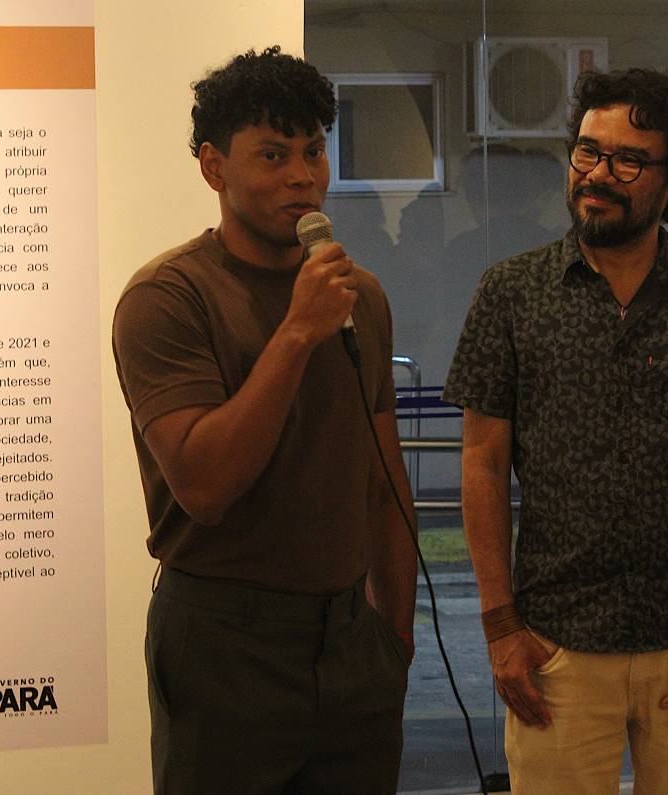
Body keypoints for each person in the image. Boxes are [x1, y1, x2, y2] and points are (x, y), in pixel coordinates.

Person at [112, 46, 417, 794]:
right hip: (225, 639)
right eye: (274, 155)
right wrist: (297, 332)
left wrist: (394, 641)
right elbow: (205, 485)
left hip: (351, 638)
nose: (303, 176)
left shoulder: (361, 296)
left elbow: (383, 484)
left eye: (314, 151)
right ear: (214, 167)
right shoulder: (167, 298)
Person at [443, 67, 668, 794]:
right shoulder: (512, 292)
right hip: (555, 647)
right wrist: (500, 626)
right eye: (588, 151)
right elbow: (481, 462)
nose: (599, 174)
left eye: (628, 160)